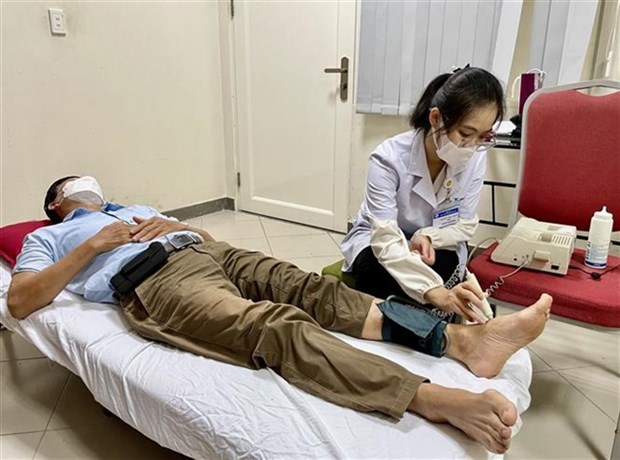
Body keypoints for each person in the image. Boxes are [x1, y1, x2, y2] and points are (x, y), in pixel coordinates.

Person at [7, 175, 552, 454]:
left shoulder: (136, 209)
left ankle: (460, 344)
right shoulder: (49, 236)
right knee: (273, 325)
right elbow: (21, 299)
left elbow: (210, 237)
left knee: (312, 290)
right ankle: (431, 398)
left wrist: (182, 228)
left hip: (199, 251)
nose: (89, 187)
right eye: (74, 185)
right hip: (151, 282)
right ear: (56, 202)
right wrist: (92, 246)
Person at [341, 66, 504, 324]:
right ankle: (449, 338)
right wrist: (433, 291)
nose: (472, 146)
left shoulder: (476, 157)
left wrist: (428, 235)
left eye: (483, 137)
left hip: (436, 244)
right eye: (465, 134)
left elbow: (464, 225)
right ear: (436, 118)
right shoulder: (388, 158)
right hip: (381, 240)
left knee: (445, 266)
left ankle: (444, 336)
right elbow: (384, 238)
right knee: (377, 270)